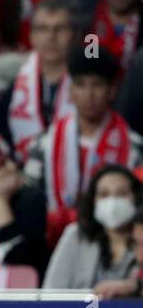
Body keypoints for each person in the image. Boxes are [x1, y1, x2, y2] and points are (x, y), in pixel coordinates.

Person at [25, 50, 143, 247]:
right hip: (51, 241)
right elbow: (31, 198)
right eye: (80, 85)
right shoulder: (44, 143)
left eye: (97, 85)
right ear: (70, 91)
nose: (89, 95)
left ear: (112, 90)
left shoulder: (135, 147)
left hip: (115, 243)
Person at [0, 0, 76, 162]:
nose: (51, 37)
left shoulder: (90, 87)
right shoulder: (13, 91)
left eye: (60, 29)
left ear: (73, 35)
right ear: (32, 36)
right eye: (43, 29)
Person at [43, 163, 141, 293]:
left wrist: (135, 286)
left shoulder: (141, 237)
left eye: (121, 193)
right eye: (104, 194)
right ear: (93, 200)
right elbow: (51, 291)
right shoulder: (76, 235)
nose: (112, 201)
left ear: (137, 197)